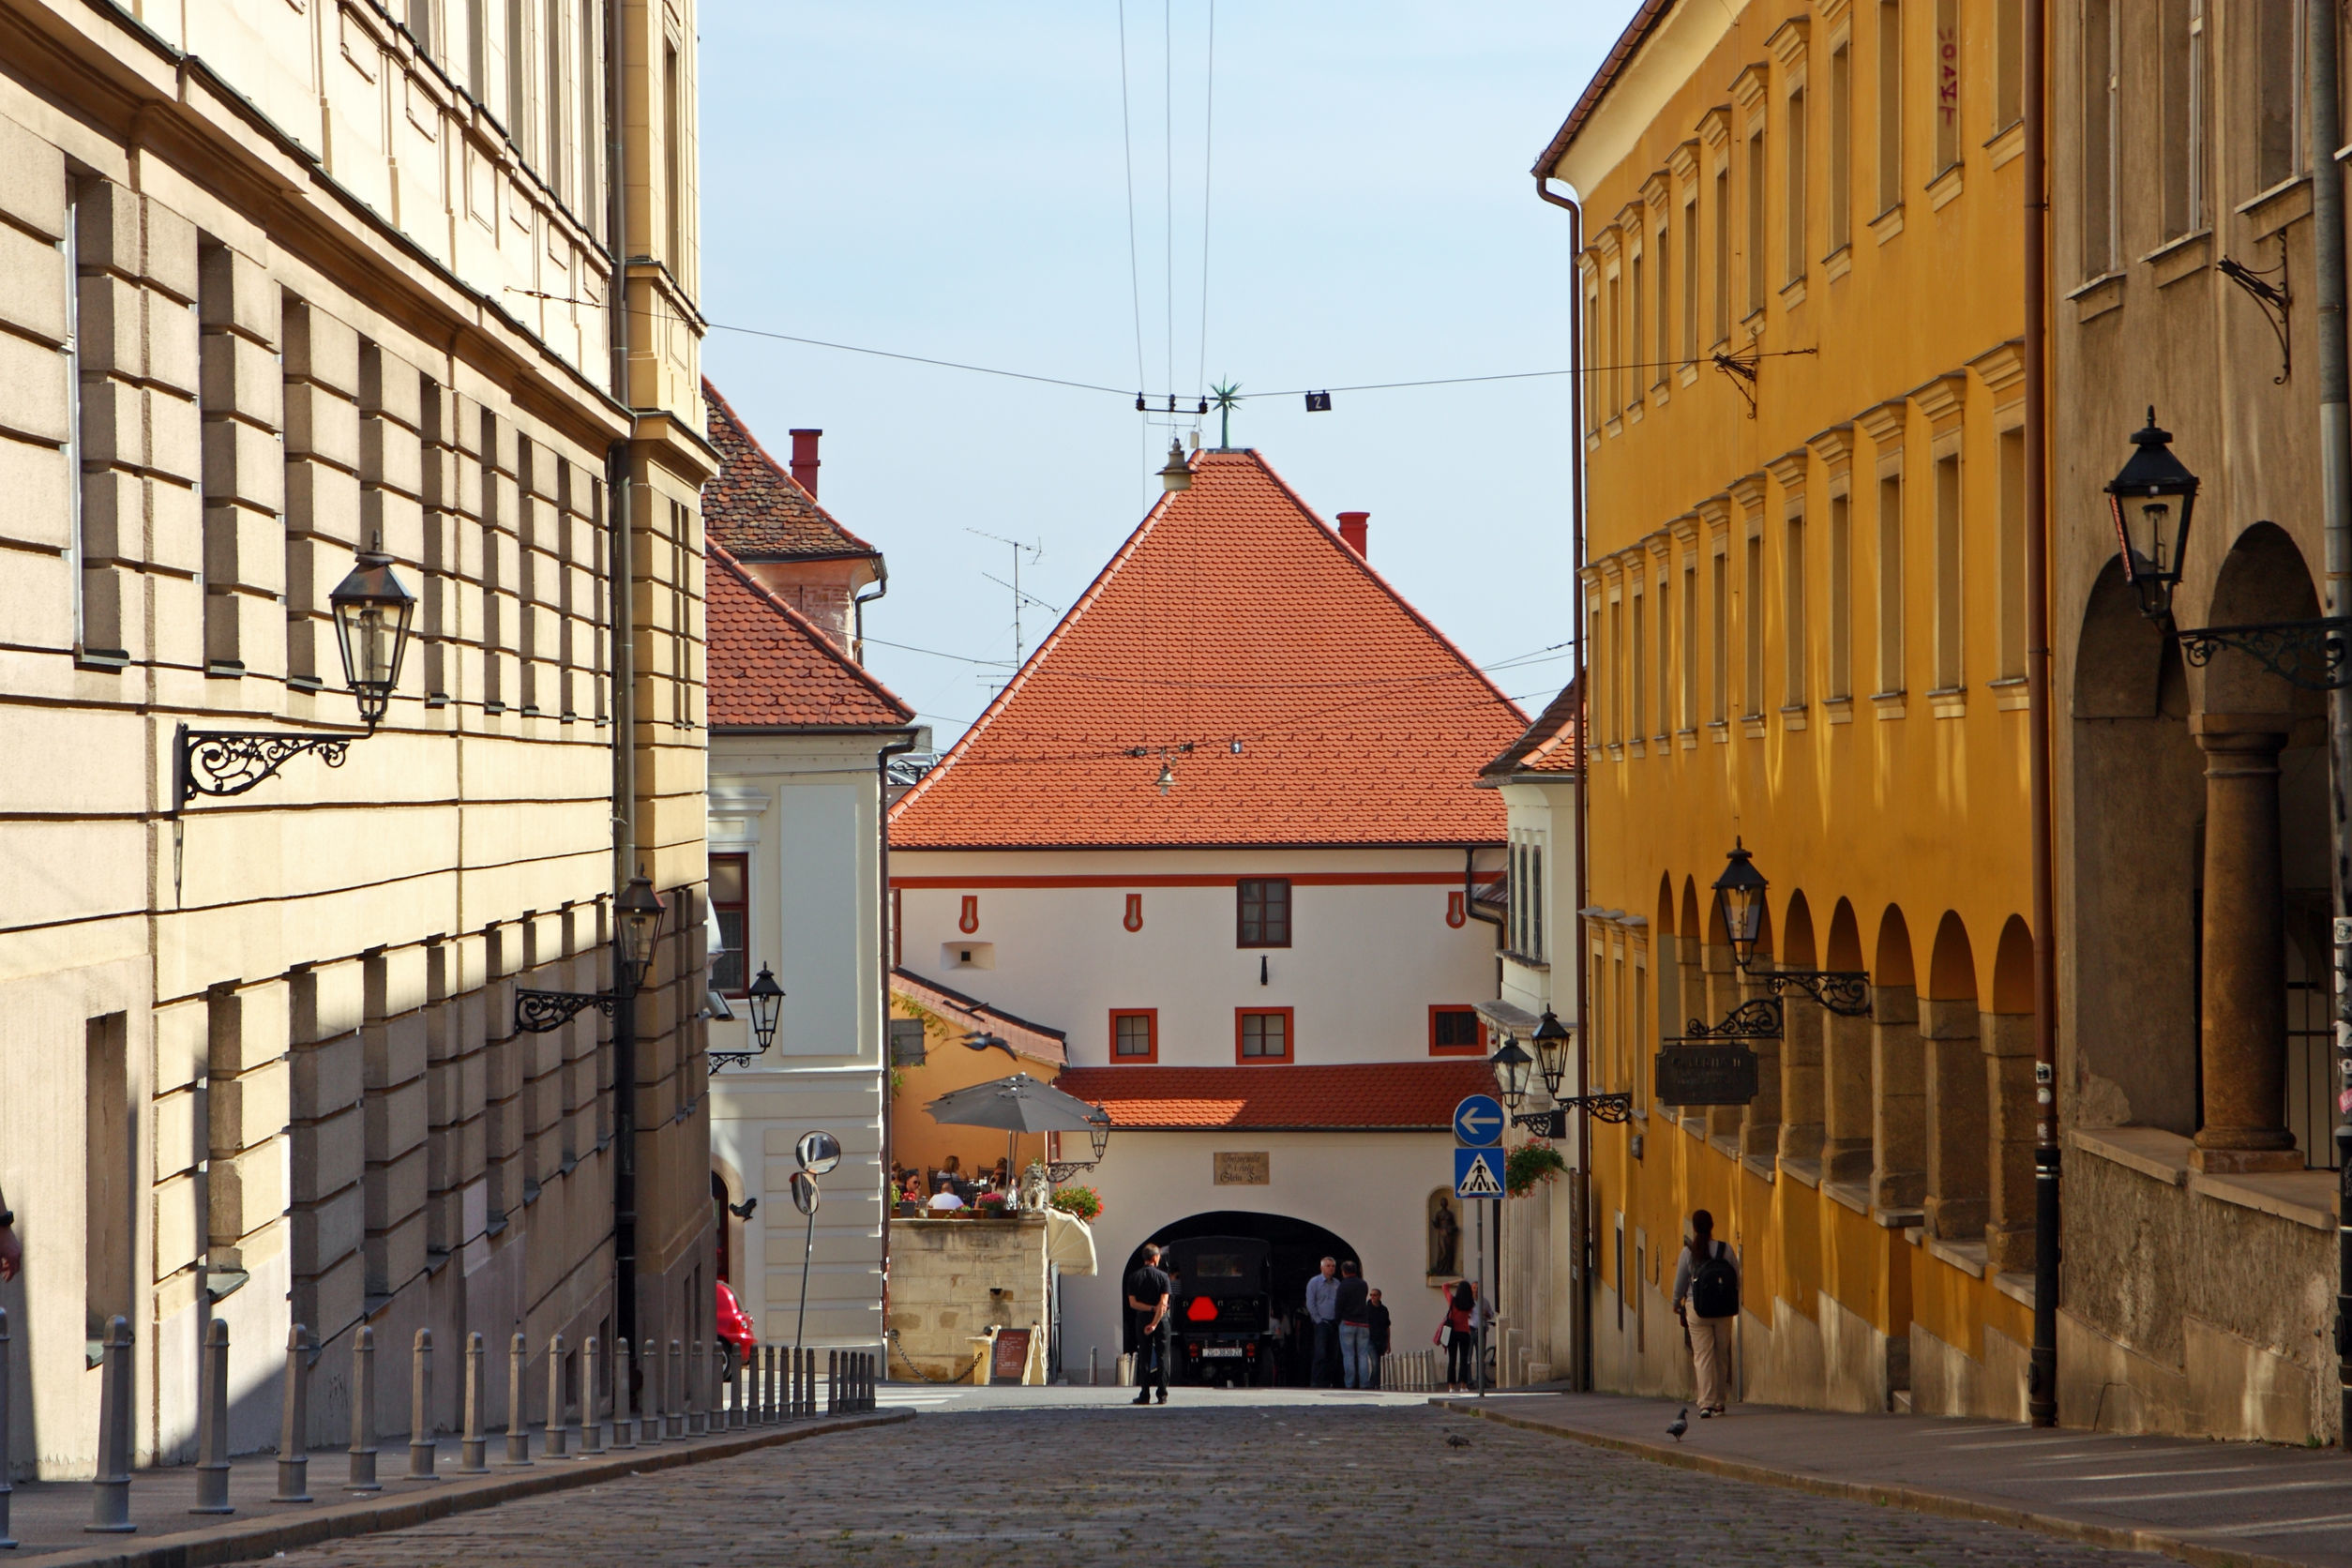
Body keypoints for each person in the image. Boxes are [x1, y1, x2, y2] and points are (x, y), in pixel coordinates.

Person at [1672, 1208, 1740, 1418]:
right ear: (1712, 1226)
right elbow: (1736, 1278)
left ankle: (1706, 1403)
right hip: (1723, 1309)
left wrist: (1676, 1302)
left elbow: (1680, 1282)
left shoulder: (1689, 1252)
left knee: (1703, 1356)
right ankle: (1719, 1401)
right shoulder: (1725, 1249)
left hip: (1697, 1309)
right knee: (1721, 1354)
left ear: (1694, 1228)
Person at [1126, 1242, 1171, 1405]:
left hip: (1143, 1318)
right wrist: (1155, 1322)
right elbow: (1164, 1303)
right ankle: (1162, 1394)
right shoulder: (1163, 1277)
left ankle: (1144, 1394)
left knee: (1144, 1356)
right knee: (1162, 1356)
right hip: (1161, 1320)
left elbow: (1133, 1303)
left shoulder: (1134, 1277)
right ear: (1155, 1258)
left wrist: (1150, 1311)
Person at [1304, 1256, 1341, 1387]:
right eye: (1328, 1265)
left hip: (1334, 1323)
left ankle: (1328, 1381)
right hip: (1322, 1323)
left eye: (1333, 1266)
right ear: (1321, 1267)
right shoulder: (1314, 1282)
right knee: (1320, 1353)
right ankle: (1316, 1382)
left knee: (1333, 1354)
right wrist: (1318, 1320)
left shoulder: (1337, 1284)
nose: (1331, 1268)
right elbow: (1310, 1302)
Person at [1334, 1260, 1374, 1389]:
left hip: (1347, 1322)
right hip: (1363, 1324)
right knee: (1363, 1355)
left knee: (1349, 1355)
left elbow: (1339, 1304)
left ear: (1343, 1272)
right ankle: (1364, 1384)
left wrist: (1337, 1319)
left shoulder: (1343, 1285)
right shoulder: (1363, 1284)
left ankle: (1349, 1384)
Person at [1438, 1280, 1477, 1392]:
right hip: (1465, 1332)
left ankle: (1451, 1386)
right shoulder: (1470, 1304)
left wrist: (1457, 1282)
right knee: (1464, 1360)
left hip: (1453, 1333)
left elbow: (1444, 1285)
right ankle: (1463, 1385)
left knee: (1452, 1360)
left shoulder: (1452, 1301)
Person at [1364, 1287, 1392, 1373]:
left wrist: (1388, 1343)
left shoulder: (1384, 1310)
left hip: (1381, 1340)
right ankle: (1372, 1384)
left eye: (1375, 1295)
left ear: (1380, 1296)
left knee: (1379, 1364)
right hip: (1369, 1339)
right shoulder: (1366, 1309)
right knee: (1375, 1362)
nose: (1372, 1297)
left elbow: (1387, 1326)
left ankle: (1377, 1384)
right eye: (1371, 1295)